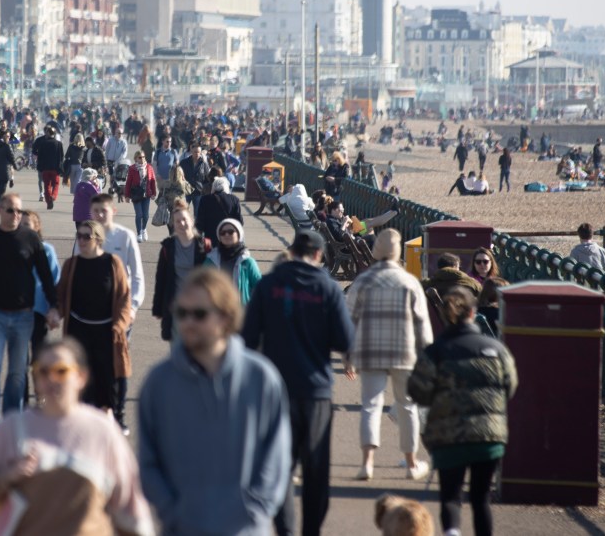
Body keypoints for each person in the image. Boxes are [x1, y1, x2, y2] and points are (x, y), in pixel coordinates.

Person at [137, 268, 291, 534]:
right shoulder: (158, 383)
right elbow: (148, 462)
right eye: (181, 313)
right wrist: (173, 512)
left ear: (225, 316)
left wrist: (254, 511)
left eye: (199, 314)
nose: (187, 322)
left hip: (247, 529)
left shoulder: (261, 378)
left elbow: (276, 458)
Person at [0, 338, 155, 536]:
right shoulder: (12, 428)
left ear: (81, 376)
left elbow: (132, 512)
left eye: (61, 371)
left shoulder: (103, 432)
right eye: (43, 371)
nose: (51, 379)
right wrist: (7, 477)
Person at [243, 230, 354, 536]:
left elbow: (248, 340)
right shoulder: (328, 288)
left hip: (275, 391)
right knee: (316, 471)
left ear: (291, 252)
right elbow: (345, 340)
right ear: (319, 255)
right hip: (316, 390)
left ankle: (286, 531)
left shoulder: (268, 285)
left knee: (278, 470)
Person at [408, 287, 518, 536]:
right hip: (488, 436)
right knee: (480, 499)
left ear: (447, 316)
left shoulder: (435, 351)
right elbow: (510, 386)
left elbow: (418, 391)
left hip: (448, 436)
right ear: (473, 312)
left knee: (450, 496)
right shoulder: (496, 349)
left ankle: (452, 531)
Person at [0, 192, 60, 436]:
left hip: (23, 315)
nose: (15, 215)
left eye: (18, 211)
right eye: (10, 211)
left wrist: (54, 307)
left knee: (17, 371)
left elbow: (46, 276)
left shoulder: (30, 239)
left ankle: (14, 417)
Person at [343, 228, 433, 482]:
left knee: (370, 405)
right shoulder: (409, 282)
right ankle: (411, 463)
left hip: (370, 351)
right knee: (407, 406)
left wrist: (347, 354)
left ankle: (367, 463)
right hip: (404, 353)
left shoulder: (363, 281)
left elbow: (349, 320)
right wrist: (426, 354)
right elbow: (422, 325)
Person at [52, 220, 133, 426]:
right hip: (78, 332)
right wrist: (55, 314)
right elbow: (60, 296)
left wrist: (120, 325)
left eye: (86, 236)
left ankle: (110, 423)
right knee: (80, 381)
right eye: (79, 236)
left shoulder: (112, 262)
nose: (81, 240)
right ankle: (80, 425)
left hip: (107, 332)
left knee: (107, 382)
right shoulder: (72, 264)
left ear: (98, 239)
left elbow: (124, 298)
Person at [90, 194, 145, 434]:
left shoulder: (125, 236)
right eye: (96, 211)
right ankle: (95, 412)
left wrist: (133, 307)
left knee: (117, 363)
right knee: (92, 364)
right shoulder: (85, 235)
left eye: (104, 210)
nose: (100, 215)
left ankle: (118, 413)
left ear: (114, 210)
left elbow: (138, 275)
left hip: (120, 311)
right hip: (90, 311)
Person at [152, 202, 210, 342]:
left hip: (199, 307)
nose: (182, 223)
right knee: (178, 352)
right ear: (173, 224)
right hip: (176, 306)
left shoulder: (204, 245)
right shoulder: (168, 247)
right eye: (178, 221)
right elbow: (161, 279)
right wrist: (158, 308)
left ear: (191, 221)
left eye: (184, 220)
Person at [19, 210, 61, 384]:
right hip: (17, 311)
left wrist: (54, 308)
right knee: (19, 360)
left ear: (37, 228)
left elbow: (54, 280)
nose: (23, 229)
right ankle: (21, 400)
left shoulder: (47, 250)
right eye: (20, 225)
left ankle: (41, 393)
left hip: (39, 310)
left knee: (39, 358)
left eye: (27, 225)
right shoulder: (12, 249)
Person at [204, 218, 261, 306]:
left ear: (238, 234)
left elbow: (260, 288)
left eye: (230, 232)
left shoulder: (248, 262)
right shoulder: (211, 260)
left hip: (241, 313)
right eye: (222, 233)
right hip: (216, 312)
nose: (226, 235)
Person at [195, 176, 242, 247]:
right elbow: (239, 221)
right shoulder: (234, 199)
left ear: (213, 187)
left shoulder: (205, 199)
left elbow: (200, 221)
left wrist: (198, 238)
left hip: (210, 238)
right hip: (228, 237)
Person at [124, 150, 158, 243]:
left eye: (143, 157)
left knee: (146, 215)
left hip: (146, 194)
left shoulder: (149, 167)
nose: (142, 159)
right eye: (140, 157)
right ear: (136, 159)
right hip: (136, 195)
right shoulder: (132, 168)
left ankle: (144, 229)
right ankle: (139, 233)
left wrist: (154, 193)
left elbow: (153, 181)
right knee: (139, 215)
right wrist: (127, 195)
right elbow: (128, 183)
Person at [33, 125, 64, 209]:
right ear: (54, 134)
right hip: (55, 168)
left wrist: (40, 167)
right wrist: (61, 169)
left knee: (47, 185)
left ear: (47, 133)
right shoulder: (59, 144)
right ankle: (53, 196)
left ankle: (48, 201)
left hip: (45, 168)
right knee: (56, 184)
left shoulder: (42, 143)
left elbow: (40, 157)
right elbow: (61, 158)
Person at [178, 142, 210, 207]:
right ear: (191, 151)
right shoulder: (184, 162)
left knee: (197, 212)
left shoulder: (204, 164)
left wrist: (205, 191)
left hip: (198, 191)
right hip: (186, 191)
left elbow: (207, 179)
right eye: (195, 152)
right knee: (183, 210)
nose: (197, 154)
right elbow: (178, 175)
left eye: (198, 152)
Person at [0, 129, 16, 207]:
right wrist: (15, 165)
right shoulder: (7, 146)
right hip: (5, 168)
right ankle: (1, 201)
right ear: (4, 136)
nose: (9, 138)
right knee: (3, 186)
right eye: (8, 136)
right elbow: (11, 157)